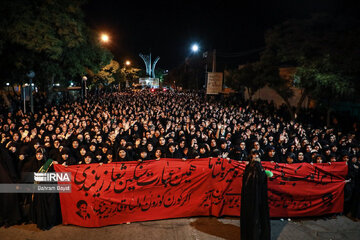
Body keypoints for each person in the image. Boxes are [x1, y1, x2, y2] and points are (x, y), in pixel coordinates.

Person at [241, 149, 271, 240]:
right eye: (254, 155)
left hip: (254, 200)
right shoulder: (256, 168)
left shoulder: (254, 168)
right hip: (255, 199)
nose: (255, 156)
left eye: (257, 155)